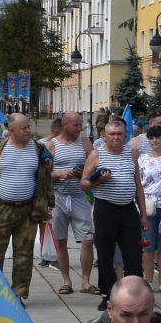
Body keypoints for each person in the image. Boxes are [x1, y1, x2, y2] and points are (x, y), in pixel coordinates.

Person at [0, 112, 52, 302]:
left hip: (28, 211)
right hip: (1, 209)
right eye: (24, 128)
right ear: (11, 130)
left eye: (28, 127)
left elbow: (46, 179)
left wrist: (48, 205)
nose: (28, 131)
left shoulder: (38, 149)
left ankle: (18, 295)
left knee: (24, 256)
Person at [83, 117, 143, 308]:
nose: (116, 137)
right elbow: (83, 183)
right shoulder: (96, 154)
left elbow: (138, 184)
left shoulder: (132, 153)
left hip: (128, 209)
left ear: (126, 135)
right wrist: (98, 181)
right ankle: (107, 294)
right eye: (112, 134)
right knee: (105, 253)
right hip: (105, 208)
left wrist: (143, 214)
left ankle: (134, 293)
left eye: (119, 134)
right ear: (105, 136)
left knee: (133, 254)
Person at [47, 112, 94, 296]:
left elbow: (95, 165)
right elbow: (43, 175)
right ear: (64, 124)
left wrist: (85, 171)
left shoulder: (84, 143)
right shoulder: (51, 145)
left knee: (88, 240)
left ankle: (86, 282)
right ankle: (66, 281)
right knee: (60, 242)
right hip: (58, 198)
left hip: (79, 198)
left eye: (80, 124)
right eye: (75, 125)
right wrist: (60, 174)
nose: (79, 128)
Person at [137, 125, 161, 292]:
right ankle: (149, 281)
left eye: (157, 137)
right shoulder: (142, 159)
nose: (154, 141)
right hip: (147, 207)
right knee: (148, 246)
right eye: (151, 138)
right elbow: (138, 183)